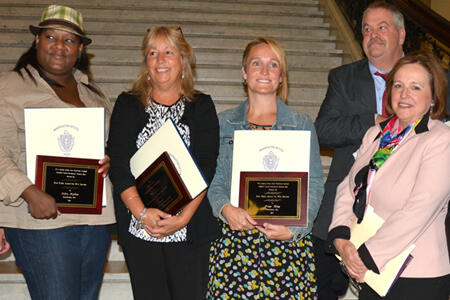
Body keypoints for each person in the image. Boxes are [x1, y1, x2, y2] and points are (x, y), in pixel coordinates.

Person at [0, 5, 115, 300]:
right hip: (40, 220)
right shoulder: (8, 87)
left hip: (94, 221)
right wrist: (28, 191)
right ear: (37, 40)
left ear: (79, 49)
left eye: (69, 40)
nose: (59, 46)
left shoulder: (94, 94)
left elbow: (109, 146)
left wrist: (108, 159)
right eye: (51, 37)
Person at [107, 26, 219, 300]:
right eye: (153, 53)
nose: (160, 60)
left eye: (168, 52)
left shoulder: (202, 106)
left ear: (183, 60)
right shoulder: (127, 104)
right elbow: (119, 164)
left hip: (189, 229)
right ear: (146, 62)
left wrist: (183, 219)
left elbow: (206, 166)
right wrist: (142, 213)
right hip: (139, 227)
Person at [207, 37, 324, 299]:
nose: (264, 71)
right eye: (256, 63)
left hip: (286, 245)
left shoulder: (302, 124)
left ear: (281, 77)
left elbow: (315, 184)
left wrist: (295, 230)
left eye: (273, 65)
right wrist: (225, 209)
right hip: (235, 245)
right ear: (244, 72)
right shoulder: (222, 123)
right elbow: (212, 179)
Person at [328, 50, 450, 299]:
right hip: (371, 271)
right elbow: (348, 187)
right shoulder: (376, 134)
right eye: (398, 85)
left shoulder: (441, 140)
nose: (404, 94)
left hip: (416, 276)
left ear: (434, 98)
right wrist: (341, 236)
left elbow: (419, 210)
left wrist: (366, 256)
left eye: (415, 87)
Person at [312, 2, 407, 298]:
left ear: (401, 35)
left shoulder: (433, 77)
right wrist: (373, 122)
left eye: (382, 27)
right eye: (367, 29)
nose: (372, 35)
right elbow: (323, 130)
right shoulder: (343, 78)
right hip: (344, 205)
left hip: (405, 208)